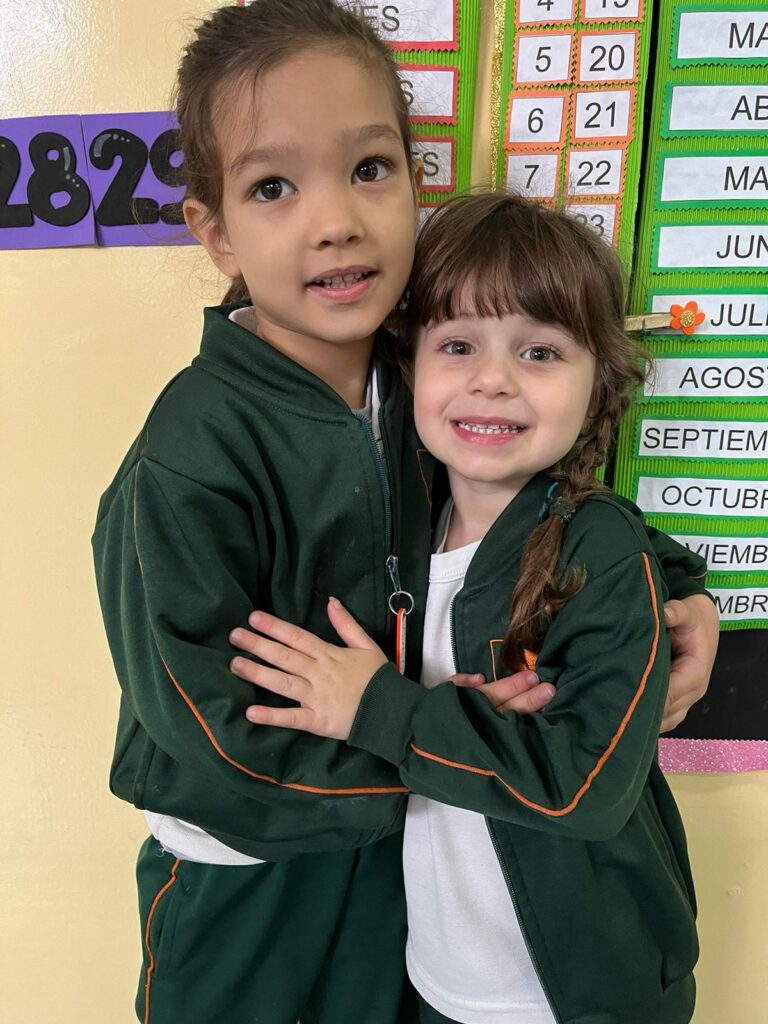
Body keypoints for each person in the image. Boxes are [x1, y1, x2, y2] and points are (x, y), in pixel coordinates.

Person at [91, 1, 715, 1020]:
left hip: (405, 859)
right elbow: (201, 717)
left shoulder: (428, 380)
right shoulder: (189, 454)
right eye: (274, 187)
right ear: (215, 232)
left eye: (370, 168)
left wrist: (682, 590)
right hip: (251, 872)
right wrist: (426, 766)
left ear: (415, 182)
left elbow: (545, 507)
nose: (334, 219)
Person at [228, 193, 710, 1024]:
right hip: (439, 976)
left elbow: (585, 789)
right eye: (458, 345)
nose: (493, 379)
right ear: (409, 366)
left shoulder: (601, 551)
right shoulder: (404, 515)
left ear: (599, 383)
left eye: (540, 351)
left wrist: (379, 710)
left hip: (579, 996)